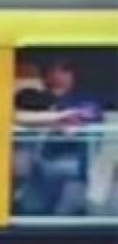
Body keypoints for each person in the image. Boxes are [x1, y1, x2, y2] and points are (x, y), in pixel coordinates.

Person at [13, 54, 104, 215]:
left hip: (72, 178)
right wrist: (54, 118)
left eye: (64, 70)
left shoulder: (86, 101)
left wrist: (57, 120)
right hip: (34, 180)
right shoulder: (30, 98)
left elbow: (78, 122)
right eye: (50, 70)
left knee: (68, 210)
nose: (56, 76)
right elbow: (7, 115)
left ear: (75, 75)